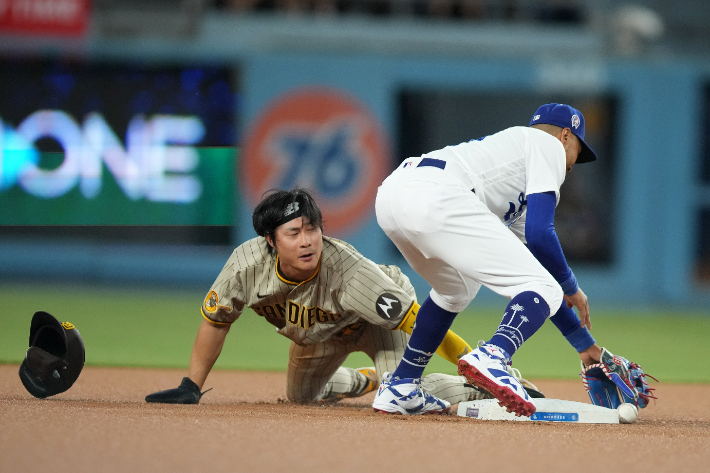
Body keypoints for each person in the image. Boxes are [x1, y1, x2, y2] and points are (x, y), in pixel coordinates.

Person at [146, 188, 538, 411]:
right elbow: (217, 320)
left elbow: (419, 322)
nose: (307, 240)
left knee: (397, 395)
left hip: (379, 323)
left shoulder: (349, 271)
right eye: (294, 232)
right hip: (321, 335)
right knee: (301, 398)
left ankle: (480, 386)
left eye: (313, 228)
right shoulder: (245, 266)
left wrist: (476, 364)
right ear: (270, 241)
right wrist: (191, 385)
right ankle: (363, 381)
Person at [372, 103, 648, 416]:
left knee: (457, 290)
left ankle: (402, 386)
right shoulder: (548, 145)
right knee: (547, 285)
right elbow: (542, 236)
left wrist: (585, 345)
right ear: (566, 136)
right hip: (438, 196)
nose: (573, 166)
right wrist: (571, 285)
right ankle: (493, 355)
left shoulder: (515, 175)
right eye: (577, 154)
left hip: (393, 196)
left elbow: (534, 265)